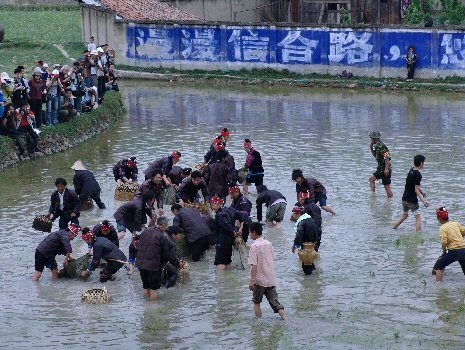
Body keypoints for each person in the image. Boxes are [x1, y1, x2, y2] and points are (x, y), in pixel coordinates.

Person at [248, 222, 286, 320]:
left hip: (259, 280)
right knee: (275, 302)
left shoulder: (254, 246)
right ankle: (285, 318)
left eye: (250, 233)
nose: (249, 234)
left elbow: (254, 265)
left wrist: (252, 281)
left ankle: (258, 323)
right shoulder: (268, 243)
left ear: (254, 233)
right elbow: (272, 257)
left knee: (256, 302)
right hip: (270, 278)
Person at [113, 191, 157, 274]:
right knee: (123, 234)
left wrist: (153, 216)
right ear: (149, 199)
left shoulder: (144, 202)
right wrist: (138, 234)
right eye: (153, 199)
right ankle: (111, 242)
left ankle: (135, 260)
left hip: (129, 218)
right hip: (121, 216)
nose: (154, 201)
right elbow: (138, 220)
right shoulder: (139, 205)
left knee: (137, 235)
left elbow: (147, 213)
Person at [136, 219, 172, 301]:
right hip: (153, 266)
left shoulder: (146, 231)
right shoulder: (162, 236)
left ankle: (145, 306)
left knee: (145, 286)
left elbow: (138, 243)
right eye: (166, 226)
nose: (167, 228)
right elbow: (165, 254)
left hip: (141, 264)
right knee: (153, 289)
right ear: (163, 226)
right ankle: (153, 310)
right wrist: (163, 264)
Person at [393, 155, 429, 231]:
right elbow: (416, 190)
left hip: (404, 198)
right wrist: (424, 201)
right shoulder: (418, 175)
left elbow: (413, 185)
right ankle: (418, 235)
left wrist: (422, 192)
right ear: (421, 163)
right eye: (424, 163)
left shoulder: (411, 170)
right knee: (418, 218)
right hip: (412, 200)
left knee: (404, 216)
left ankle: (393, 228)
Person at [433, 207, 465, 283]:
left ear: (439, 219)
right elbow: (463, 231)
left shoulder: (443, 228)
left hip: (454, 251)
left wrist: (444, 252)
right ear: (447, 216)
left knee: (438, 267)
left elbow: (444, 242)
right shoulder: (455, 223)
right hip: (464, 250)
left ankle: (439, 286)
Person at [210, 195, 242, 270]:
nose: (211, 207)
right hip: (229, 240)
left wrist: (233, 231)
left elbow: (226, 225)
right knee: (227, 261)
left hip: (222, 241)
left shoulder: (219, 215)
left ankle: (221, 281)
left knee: (219, 262)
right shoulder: (229, 210)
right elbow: (240, 216)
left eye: (212, 205)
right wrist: (239, 229)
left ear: (218, 204)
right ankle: (229, 279)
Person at [291, 206, 322, 276]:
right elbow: (319, 232)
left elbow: (299, 234)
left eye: (294, 214)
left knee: (306, 267)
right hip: (314, 245)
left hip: (306, 247)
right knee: (311, 263)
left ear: (298, 214)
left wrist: (295, 245)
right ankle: (315, 278)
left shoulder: (302, 223)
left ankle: (307, 284)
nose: (293, 216)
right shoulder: (313, 220)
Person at [369, 131, 393, 198]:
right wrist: (371, 149)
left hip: (384, 169)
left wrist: (386, 169)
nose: (373, 140)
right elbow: (376, 156)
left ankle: (373, 196)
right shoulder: (377, 146)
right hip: (381, 168)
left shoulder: (382, 146)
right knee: (372, 180)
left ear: (378, 138)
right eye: (372, 138)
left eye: (374, 139)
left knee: (387, 187)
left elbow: (387, 157)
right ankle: (373, 196)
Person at [161, 222, 182, 288]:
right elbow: (172, 259)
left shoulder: (164, 236)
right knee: (174, 274)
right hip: (159, 263)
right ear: (173, 234)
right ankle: (168, 289)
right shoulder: (172, 243)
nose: (180, 237)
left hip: (151, 261)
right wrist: (179, 265)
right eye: (179, 235)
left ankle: (163, 285)